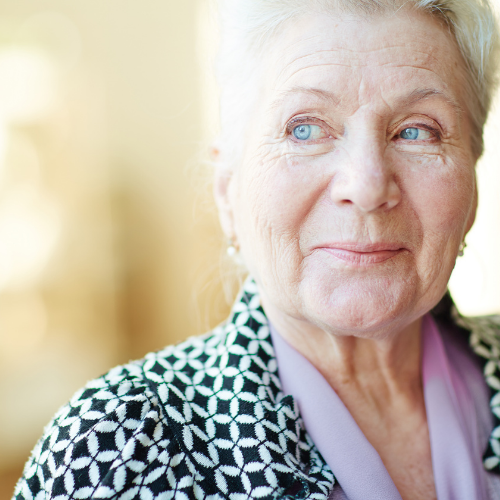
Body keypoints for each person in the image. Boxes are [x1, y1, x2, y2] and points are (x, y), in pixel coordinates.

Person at [13, 0, 500, 499]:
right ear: (228, 192)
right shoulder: (119, 445)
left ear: (473, 191)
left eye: (417, 130)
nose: (368, 184)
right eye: (304, 128)